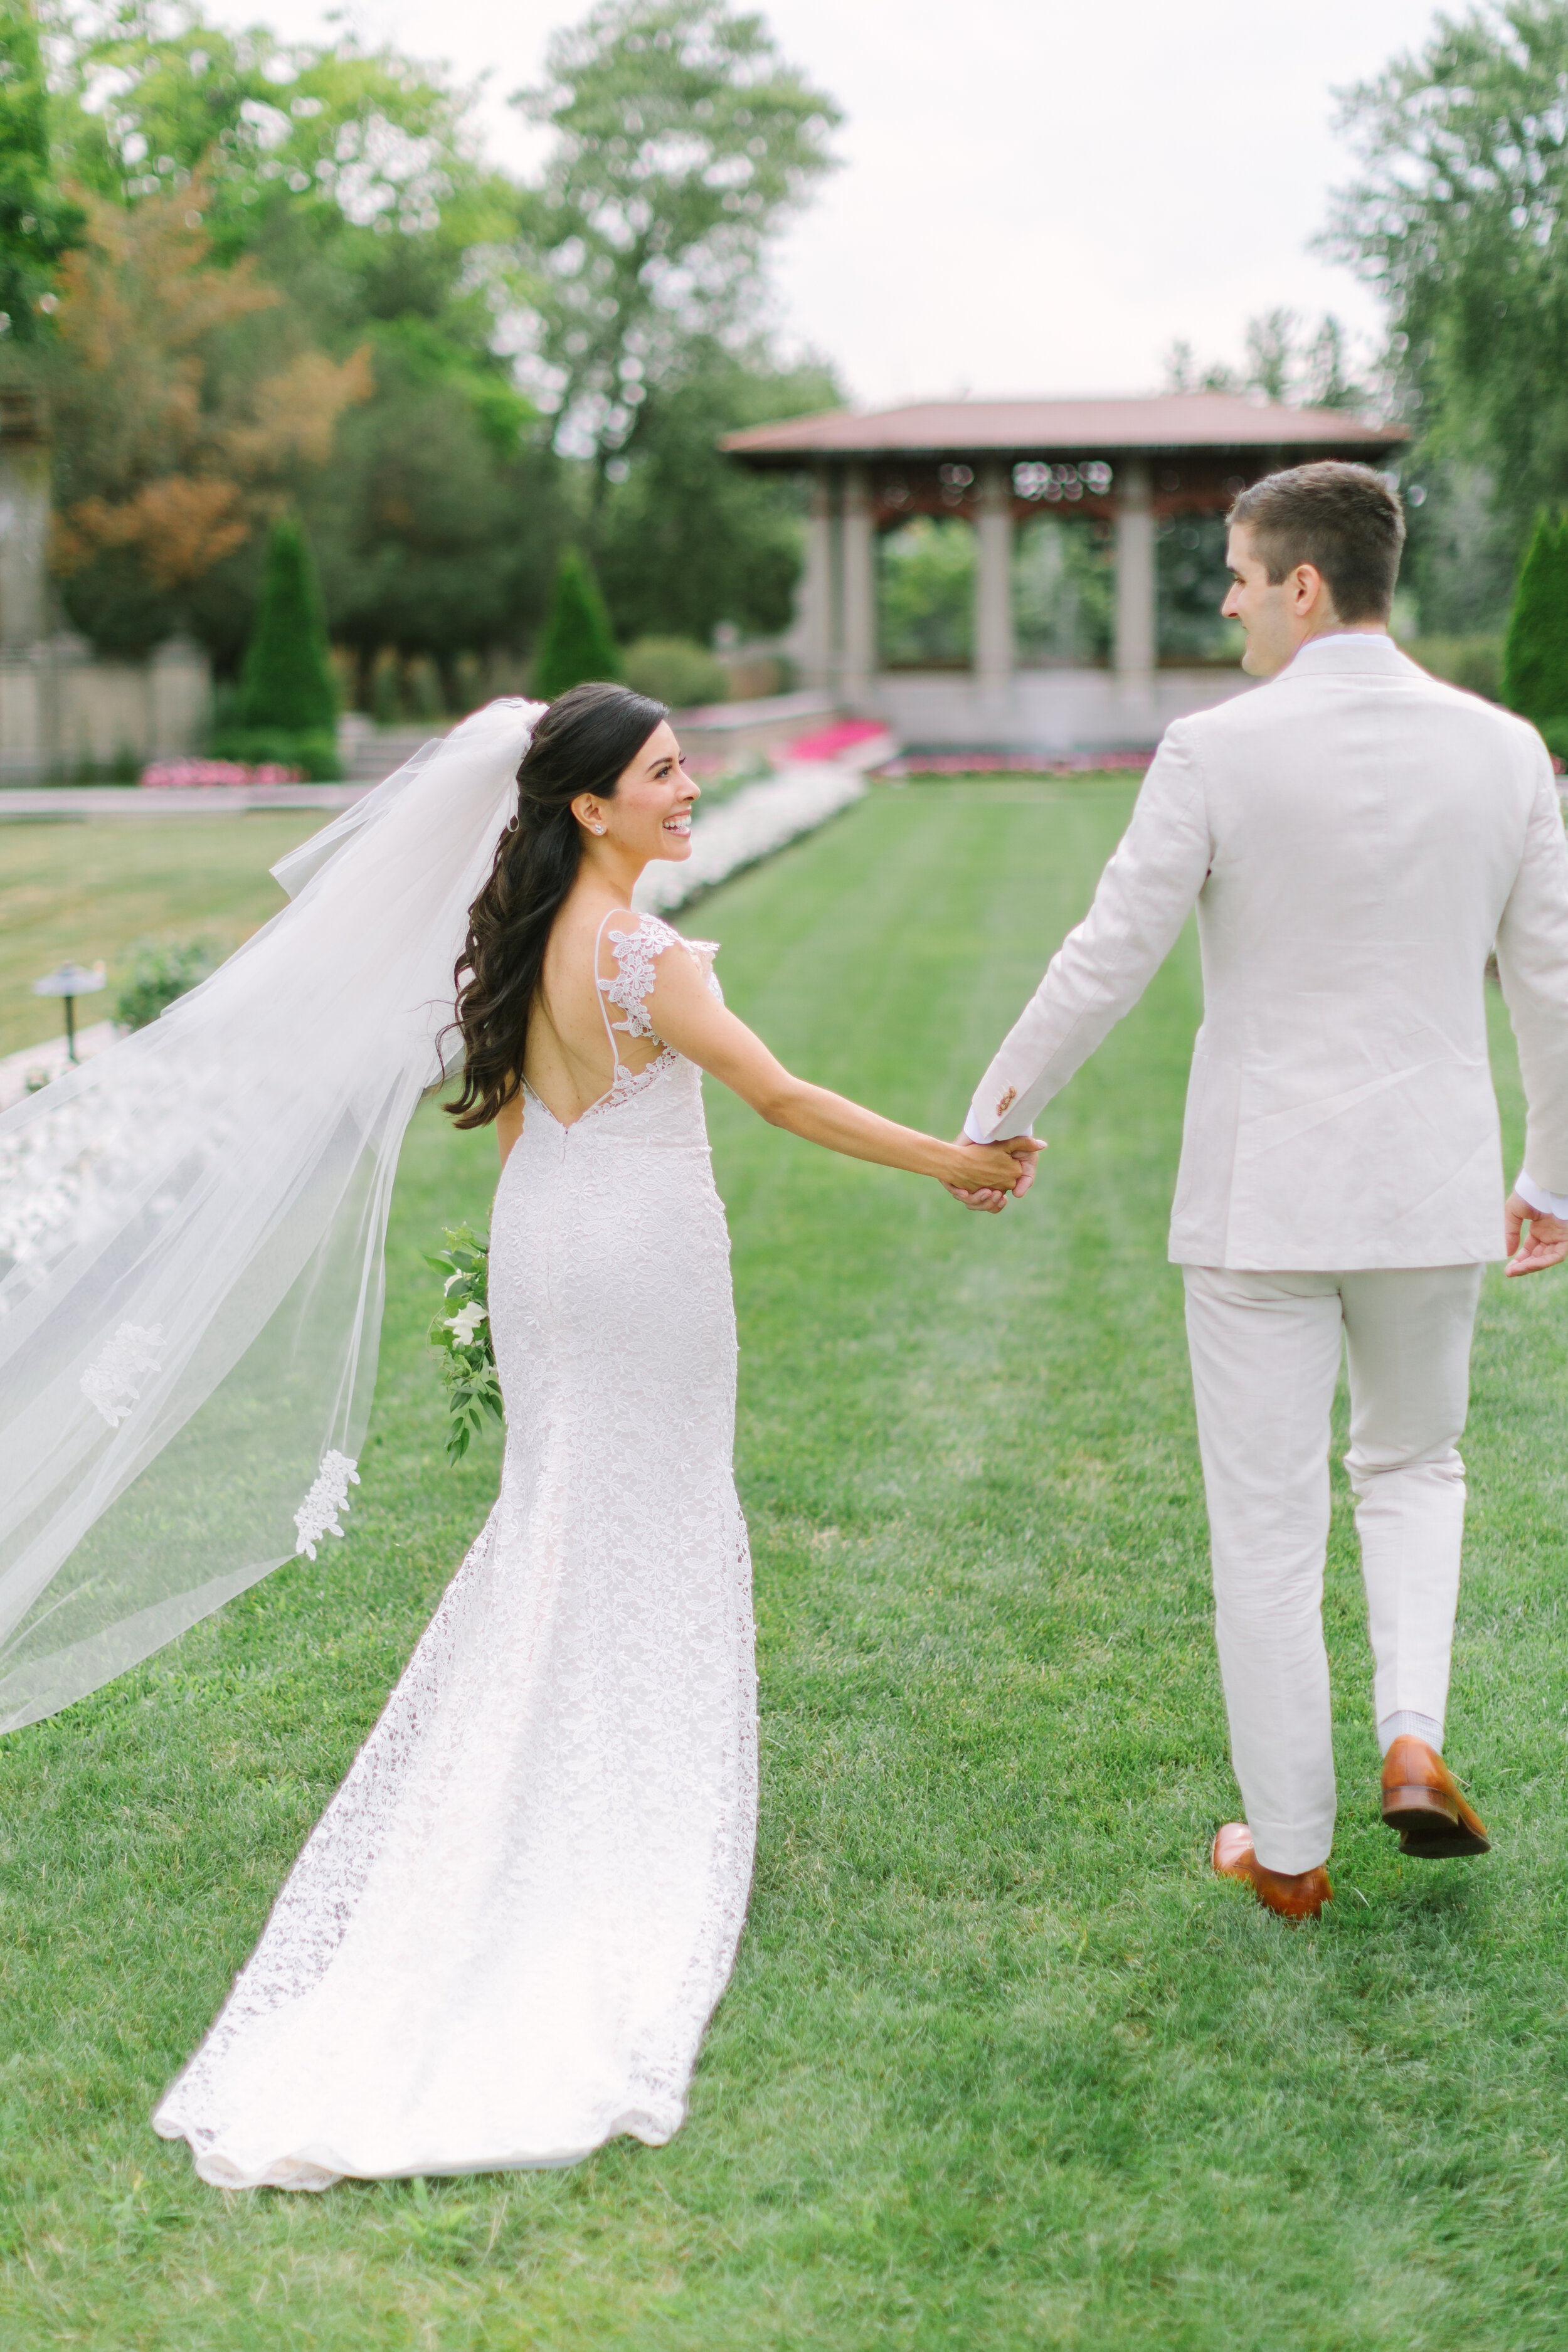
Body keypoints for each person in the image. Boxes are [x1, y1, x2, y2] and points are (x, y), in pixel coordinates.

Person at [148, 683, 1034, 2187]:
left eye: (687, 767)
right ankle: (621, 1803)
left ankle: (554, 1761)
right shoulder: (642, 954)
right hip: (639, 1258)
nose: (690, 788)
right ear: (588, 805)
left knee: (561, 1514)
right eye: (664, 772)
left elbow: (513, 1117)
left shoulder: (521, 943)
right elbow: (776, 1093)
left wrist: (524, 1264)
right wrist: (950, 1159)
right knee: (652, 1508)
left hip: (546, 1238)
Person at [953, 460, 1568, 1920]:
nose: (1223, 600)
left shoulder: (1213, 751)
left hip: (1260, 1200)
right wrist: (1549, 1169)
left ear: (1302, 585)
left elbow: (1108, 954)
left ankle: (1287, 1855)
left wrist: (994, 1118)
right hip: (1427, 1185)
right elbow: (1549, 979)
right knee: (1413, 1468)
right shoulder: (1503, 751)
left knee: (1267, 1523)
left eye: (1235, 575)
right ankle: (1409, 1732)